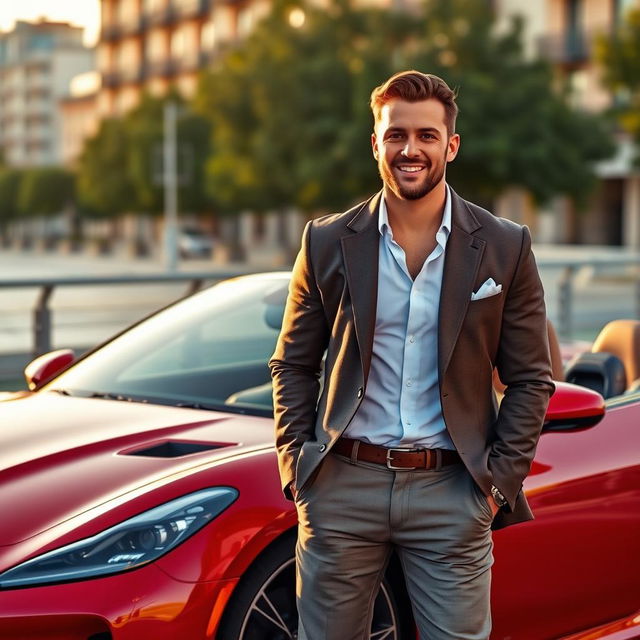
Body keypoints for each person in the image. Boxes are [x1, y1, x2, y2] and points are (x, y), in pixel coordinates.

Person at [269, 70, 554, 640]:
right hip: (342, 484)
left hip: (452, 490)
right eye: (396, 135)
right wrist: (297, 467)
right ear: (376, 143)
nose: (410, 149)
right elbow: (293, 363)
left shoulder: (504, 245)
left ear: (450, 145)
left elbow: (531, 378)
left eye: (426, 135)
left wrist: (496, 483)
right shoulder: (326, 241)